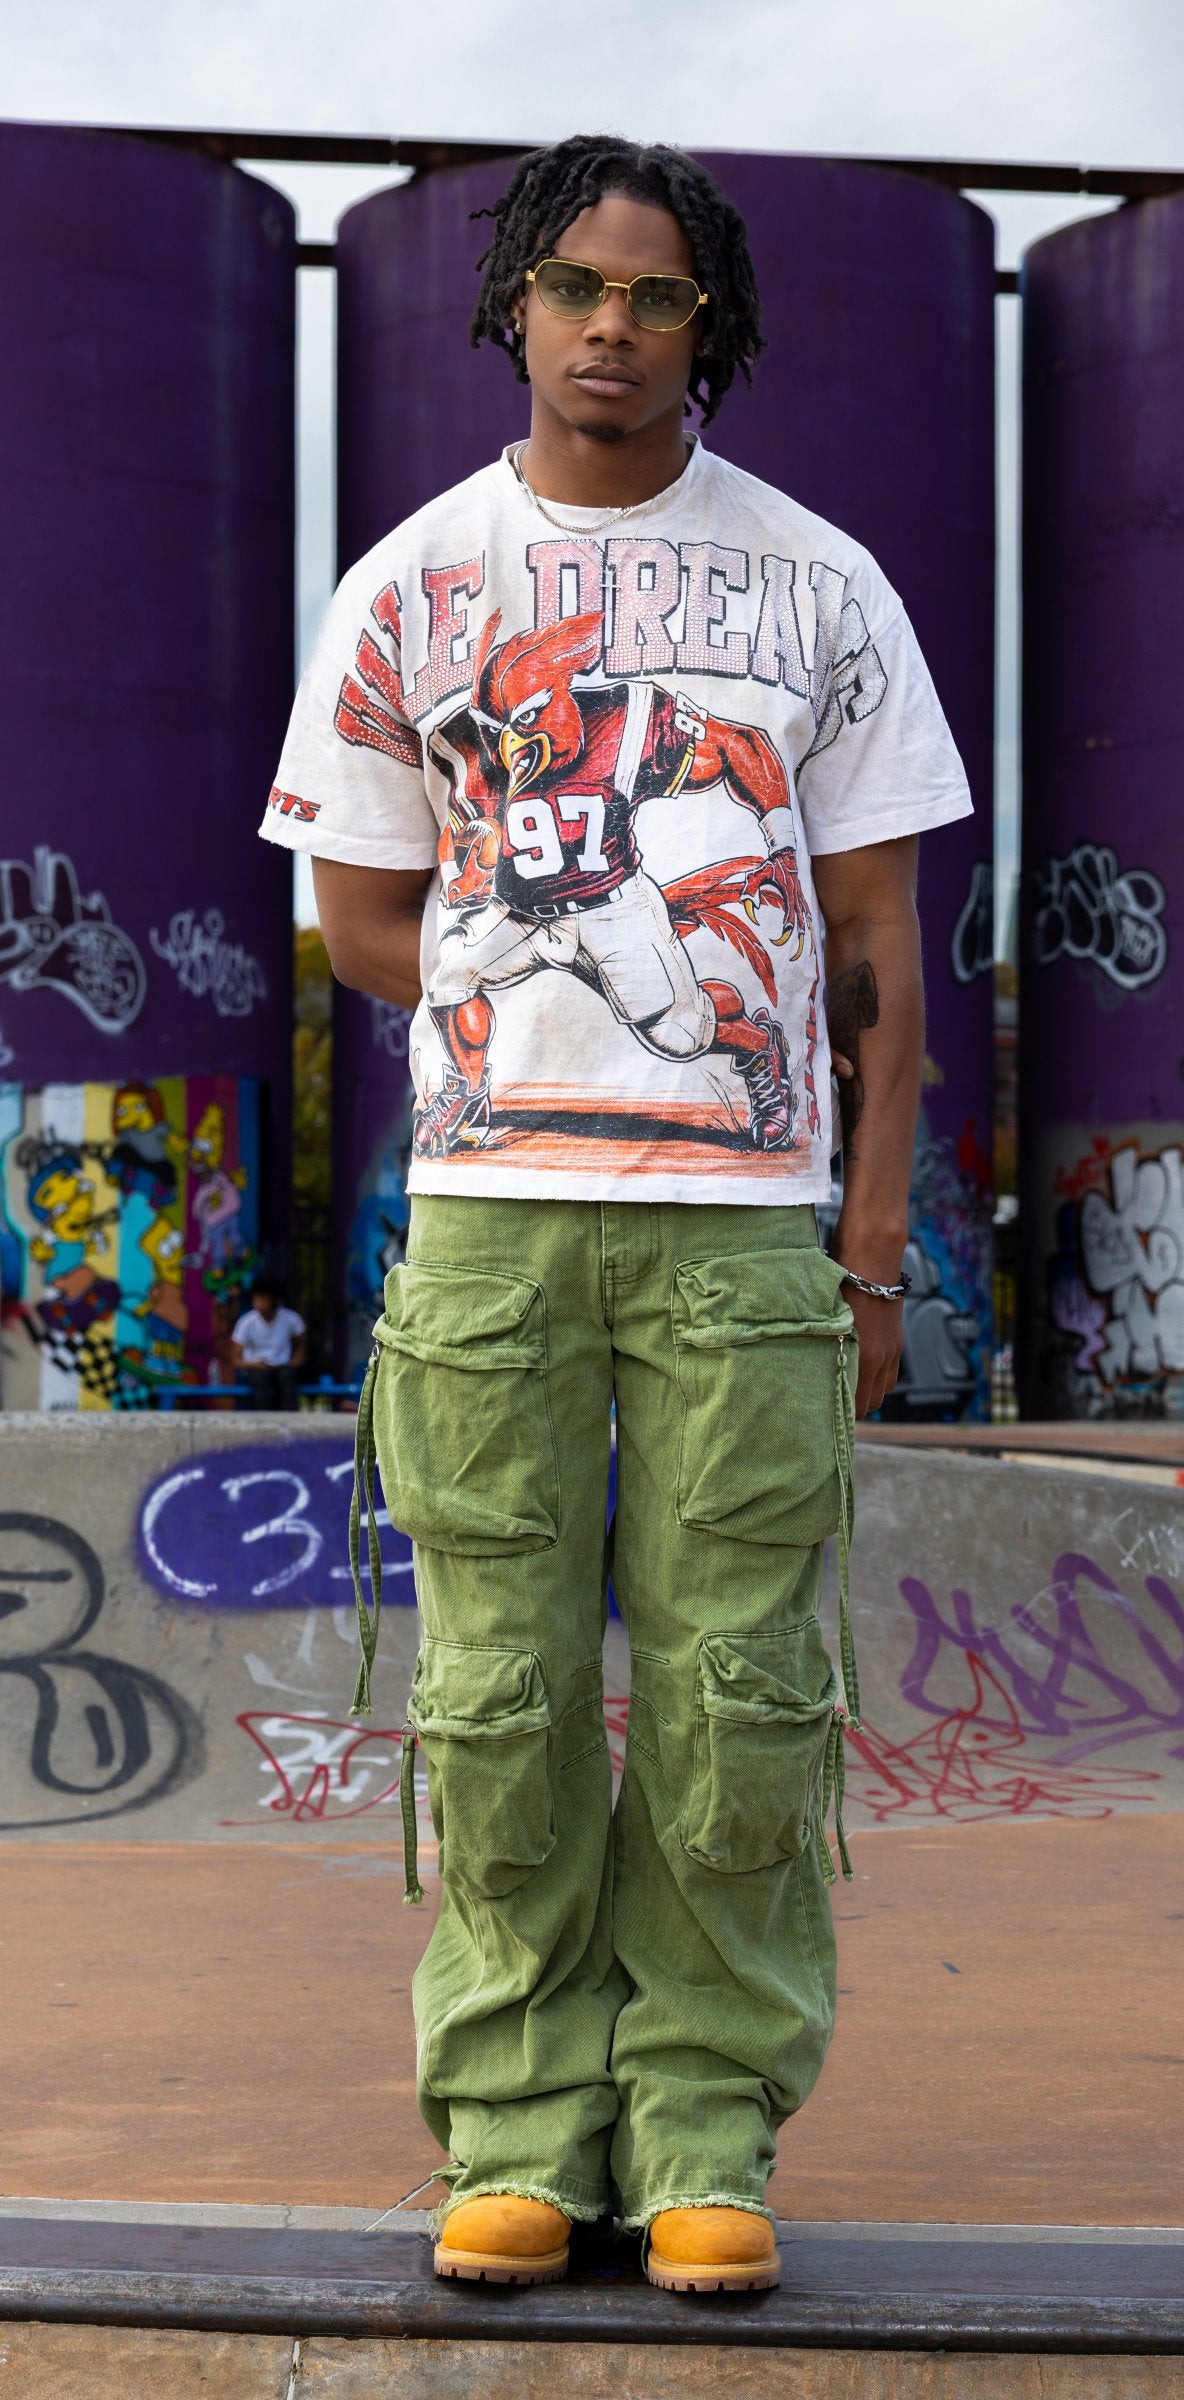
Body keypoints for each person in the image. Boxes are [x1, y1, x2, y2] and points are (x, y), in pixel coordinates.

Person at [260, 134, 972, 2296]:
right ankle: (511, 2127)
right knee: (492, 1693)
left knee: (741, 1688)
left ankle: (699, 2128)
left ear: (705, 326)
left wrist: (869, 1244)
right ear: (515, 306)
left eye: (654, 296)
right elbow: (357, 921)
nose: (608, 326)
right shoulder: (412, 583)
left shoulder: (818, 583)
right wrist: (539, 974)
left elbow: (879, 951)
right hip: (493, 1217)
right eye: (573, 284)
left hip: (747, 1228)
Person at [229, 1277, 306, 1410]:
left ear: (274, 1299)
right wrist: (254, 1364)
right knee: (260, 1378)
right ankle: (264, 1418)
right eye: (256, 1298)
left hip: (283, 1367)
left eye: (263, 1298)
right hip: (256, 1367)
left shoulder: (291, 1319)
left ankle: (290, 1418)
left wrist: (294, 1362)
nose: (259, 1303)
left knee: (287, 1377)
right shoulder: (246, 1322)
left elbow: (301, 1344)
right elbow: (235, 1358)